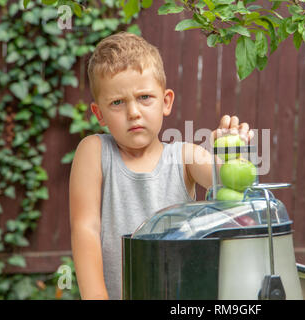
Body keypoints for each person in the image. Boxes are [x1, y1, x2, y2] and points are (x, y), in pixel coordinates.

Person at [69, 31, 254, 300]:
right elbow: (85, 229)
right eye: (117, 102)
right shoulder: (94, 152)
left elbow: (227, 183)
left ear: (166, 101)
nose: (133, 112)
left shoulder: (185, 156)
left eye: (144, 97)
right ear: (100, 114)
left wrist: (230, 152)